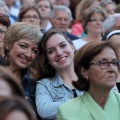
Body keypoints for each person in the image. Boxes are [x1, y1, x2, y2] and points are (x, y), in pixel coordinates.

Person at [57, 41, 120, 120]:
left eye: (114, 63)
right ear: (84, 71)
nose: (112, 69)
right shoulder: (67, 111)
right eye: (103, 63)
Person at [36, 29, 83, 120]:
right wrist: (83, 102)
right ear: (47, 59)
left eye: (63, 45)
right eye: (51, 51)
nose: (59, 53)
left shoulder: (91, 75)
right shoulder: (44, 84)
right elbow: (44, 110)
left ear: (72, 47)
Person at [4, 22, 42, 112]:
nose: (28, 54)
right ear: (7, 44)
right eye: (23, 46)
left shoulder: (35, 81)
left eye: (34, 50)